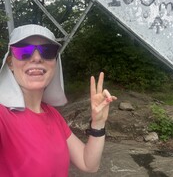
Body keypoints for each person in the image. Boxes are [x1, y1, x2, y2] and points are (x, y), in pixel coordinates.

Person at [0, 24, 117, 176]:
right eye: (24, 51)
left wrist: (98, 124)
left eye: (47, 51)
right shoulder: (3, 116)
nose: (36, 58)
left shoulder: (53, 115)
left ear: (55, 63)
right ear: (10, 64)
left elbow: (88, 164)